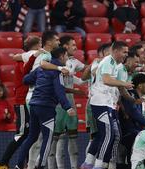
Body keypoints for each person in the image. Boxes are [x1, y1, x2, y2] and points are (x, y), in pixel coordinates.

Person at [14, 47, 77, 169]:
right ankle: (41, 166)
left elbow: (25, 80)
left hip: (33, 105)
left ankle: (18, 164)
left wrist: (39, 81)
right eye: (66, 56)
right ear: (62, 56)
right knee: (48, 139)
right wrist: (68, 107)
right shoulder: (57, 72)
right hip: (46, 107)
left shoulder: (40, 69)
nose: (67, 59)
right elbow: (59, 91)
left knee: (32, 137)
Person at [81, 41, 133, 169]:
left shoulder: (114, 64)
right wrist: (124, 83)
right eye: (124, 52)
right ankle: (99, 165)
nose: (126, 55)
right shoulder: (108, 61)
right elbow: (106, 80)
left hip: (107, 103)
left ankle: (88, 163)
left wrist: (131, 98)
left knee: (107, 134)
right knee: (108, 135)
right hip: (100, 102)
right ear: (115, 51)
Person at [0, 36, 42, 169]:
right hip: (22, 102)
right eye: (40, 44)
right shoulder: (23, 60)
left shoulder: (25, 58)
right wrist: (35, 56)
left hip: (29, 101)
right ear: (36, 46)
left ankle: (27, 164)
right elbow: (26, 72)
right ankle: (2, 163)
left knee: (30, 133)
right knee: (22, 133)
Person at [48, 35, 86, 169]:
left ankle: (74, 167)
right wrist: (76, 90)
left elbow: (85, 71)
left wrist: (97, 65)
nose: (76, 48)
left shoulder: (74, 61)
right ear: (65, 47)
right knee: (55, 139)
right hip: (58, 104)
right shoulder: (52, 62)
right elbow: (58, 86)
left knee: (72, 137)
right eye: (73, 45)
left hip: (71, 103)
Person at [119, 73, 145, 168]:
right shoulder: (130, 95)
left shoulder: (139, 98)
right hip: (129, 134)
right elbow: (133, 113)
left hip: (136, 133)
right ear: (140, 85)